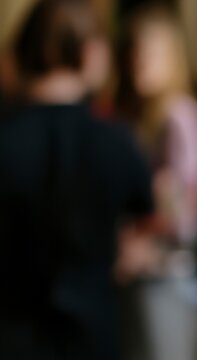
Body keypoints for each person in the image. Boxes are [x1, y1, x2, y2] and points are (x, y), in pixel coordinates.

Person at [0, 0, 153, 359]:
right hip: (93, 334)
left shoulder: (6, 138)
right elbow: (146, 216)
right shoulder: (114, 141)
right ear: (88, 52)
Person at [114, 5, 197, 360]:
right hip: (144, 268)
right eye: (135, 53)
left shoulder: (178, 115)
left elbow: (184, 211)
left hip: (169, 271)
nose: (139, 62)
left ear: (171, 58)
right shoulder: (140, 114)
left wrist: (139, 237)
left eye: (150, 53)